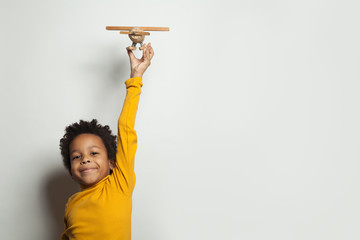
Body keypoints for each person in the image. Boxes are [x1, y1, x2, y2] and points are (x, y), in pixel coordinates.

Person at [59, 43, 154, 240]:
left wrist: (136, 78)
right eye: (77, 157)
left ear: (112, 162)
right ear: (70, 170)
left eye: (94, 153)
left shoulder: (119, 184)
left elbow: (125, 128)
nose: (85, 160)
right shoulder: (71, 204)